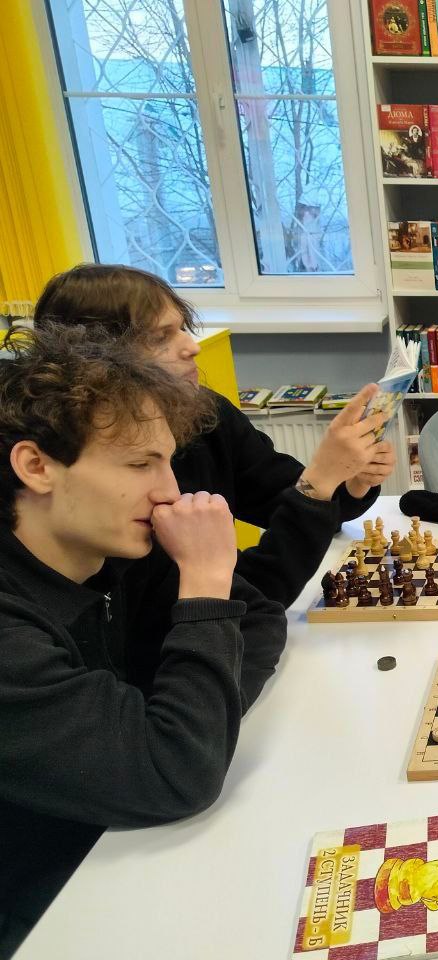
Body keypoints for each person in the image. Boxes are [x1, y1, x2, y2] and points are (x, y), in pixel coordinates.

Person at [0, 327, 288, 958]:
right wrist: (204, 584)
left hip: (126, 854)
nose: (169, 492)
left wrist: (196, 720)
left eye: (168, 462)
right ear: (36, 466)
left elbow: (261, 620)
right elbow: (176, 774)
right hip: (46, 916)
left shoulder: (116, 547)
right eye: (139, 465)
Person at [33, 264, 395, 607]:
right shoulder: (101, 500)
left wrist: (350, 481)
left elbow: (292, 502)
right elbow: (241, 601)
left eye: (182, 328)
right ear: (97, 361)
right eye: (161, 337)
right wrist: (320, 483)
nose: (192, 346)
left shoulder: (206, 412)